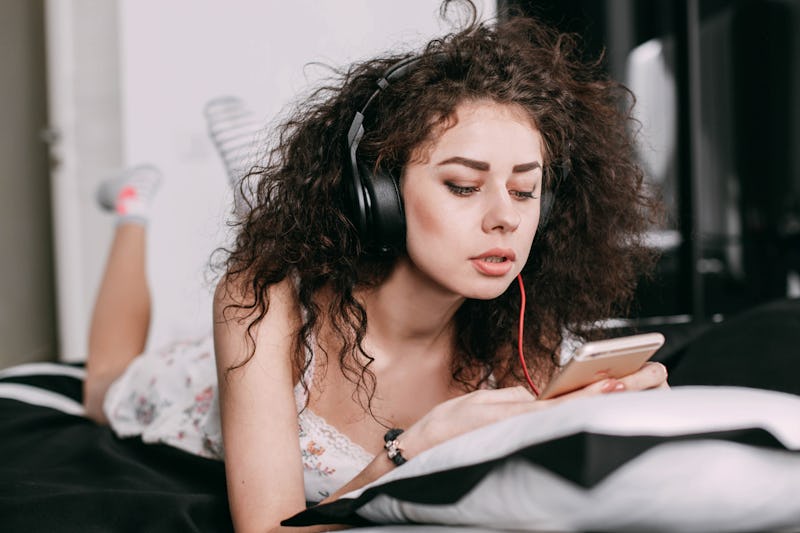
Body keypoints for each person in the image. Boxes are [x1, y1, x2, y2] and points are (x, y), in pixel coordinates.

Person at [82, 3, 669, 532]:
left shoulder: (522, 324)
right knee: (102, 384)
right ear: (379, 196)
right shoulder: (258, 302)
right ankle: (136, 207)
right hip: (204, 384)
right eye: (463, 186)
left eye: (524, 191)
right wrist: (411, 453)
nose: (504, 220)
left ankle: (249, 189)